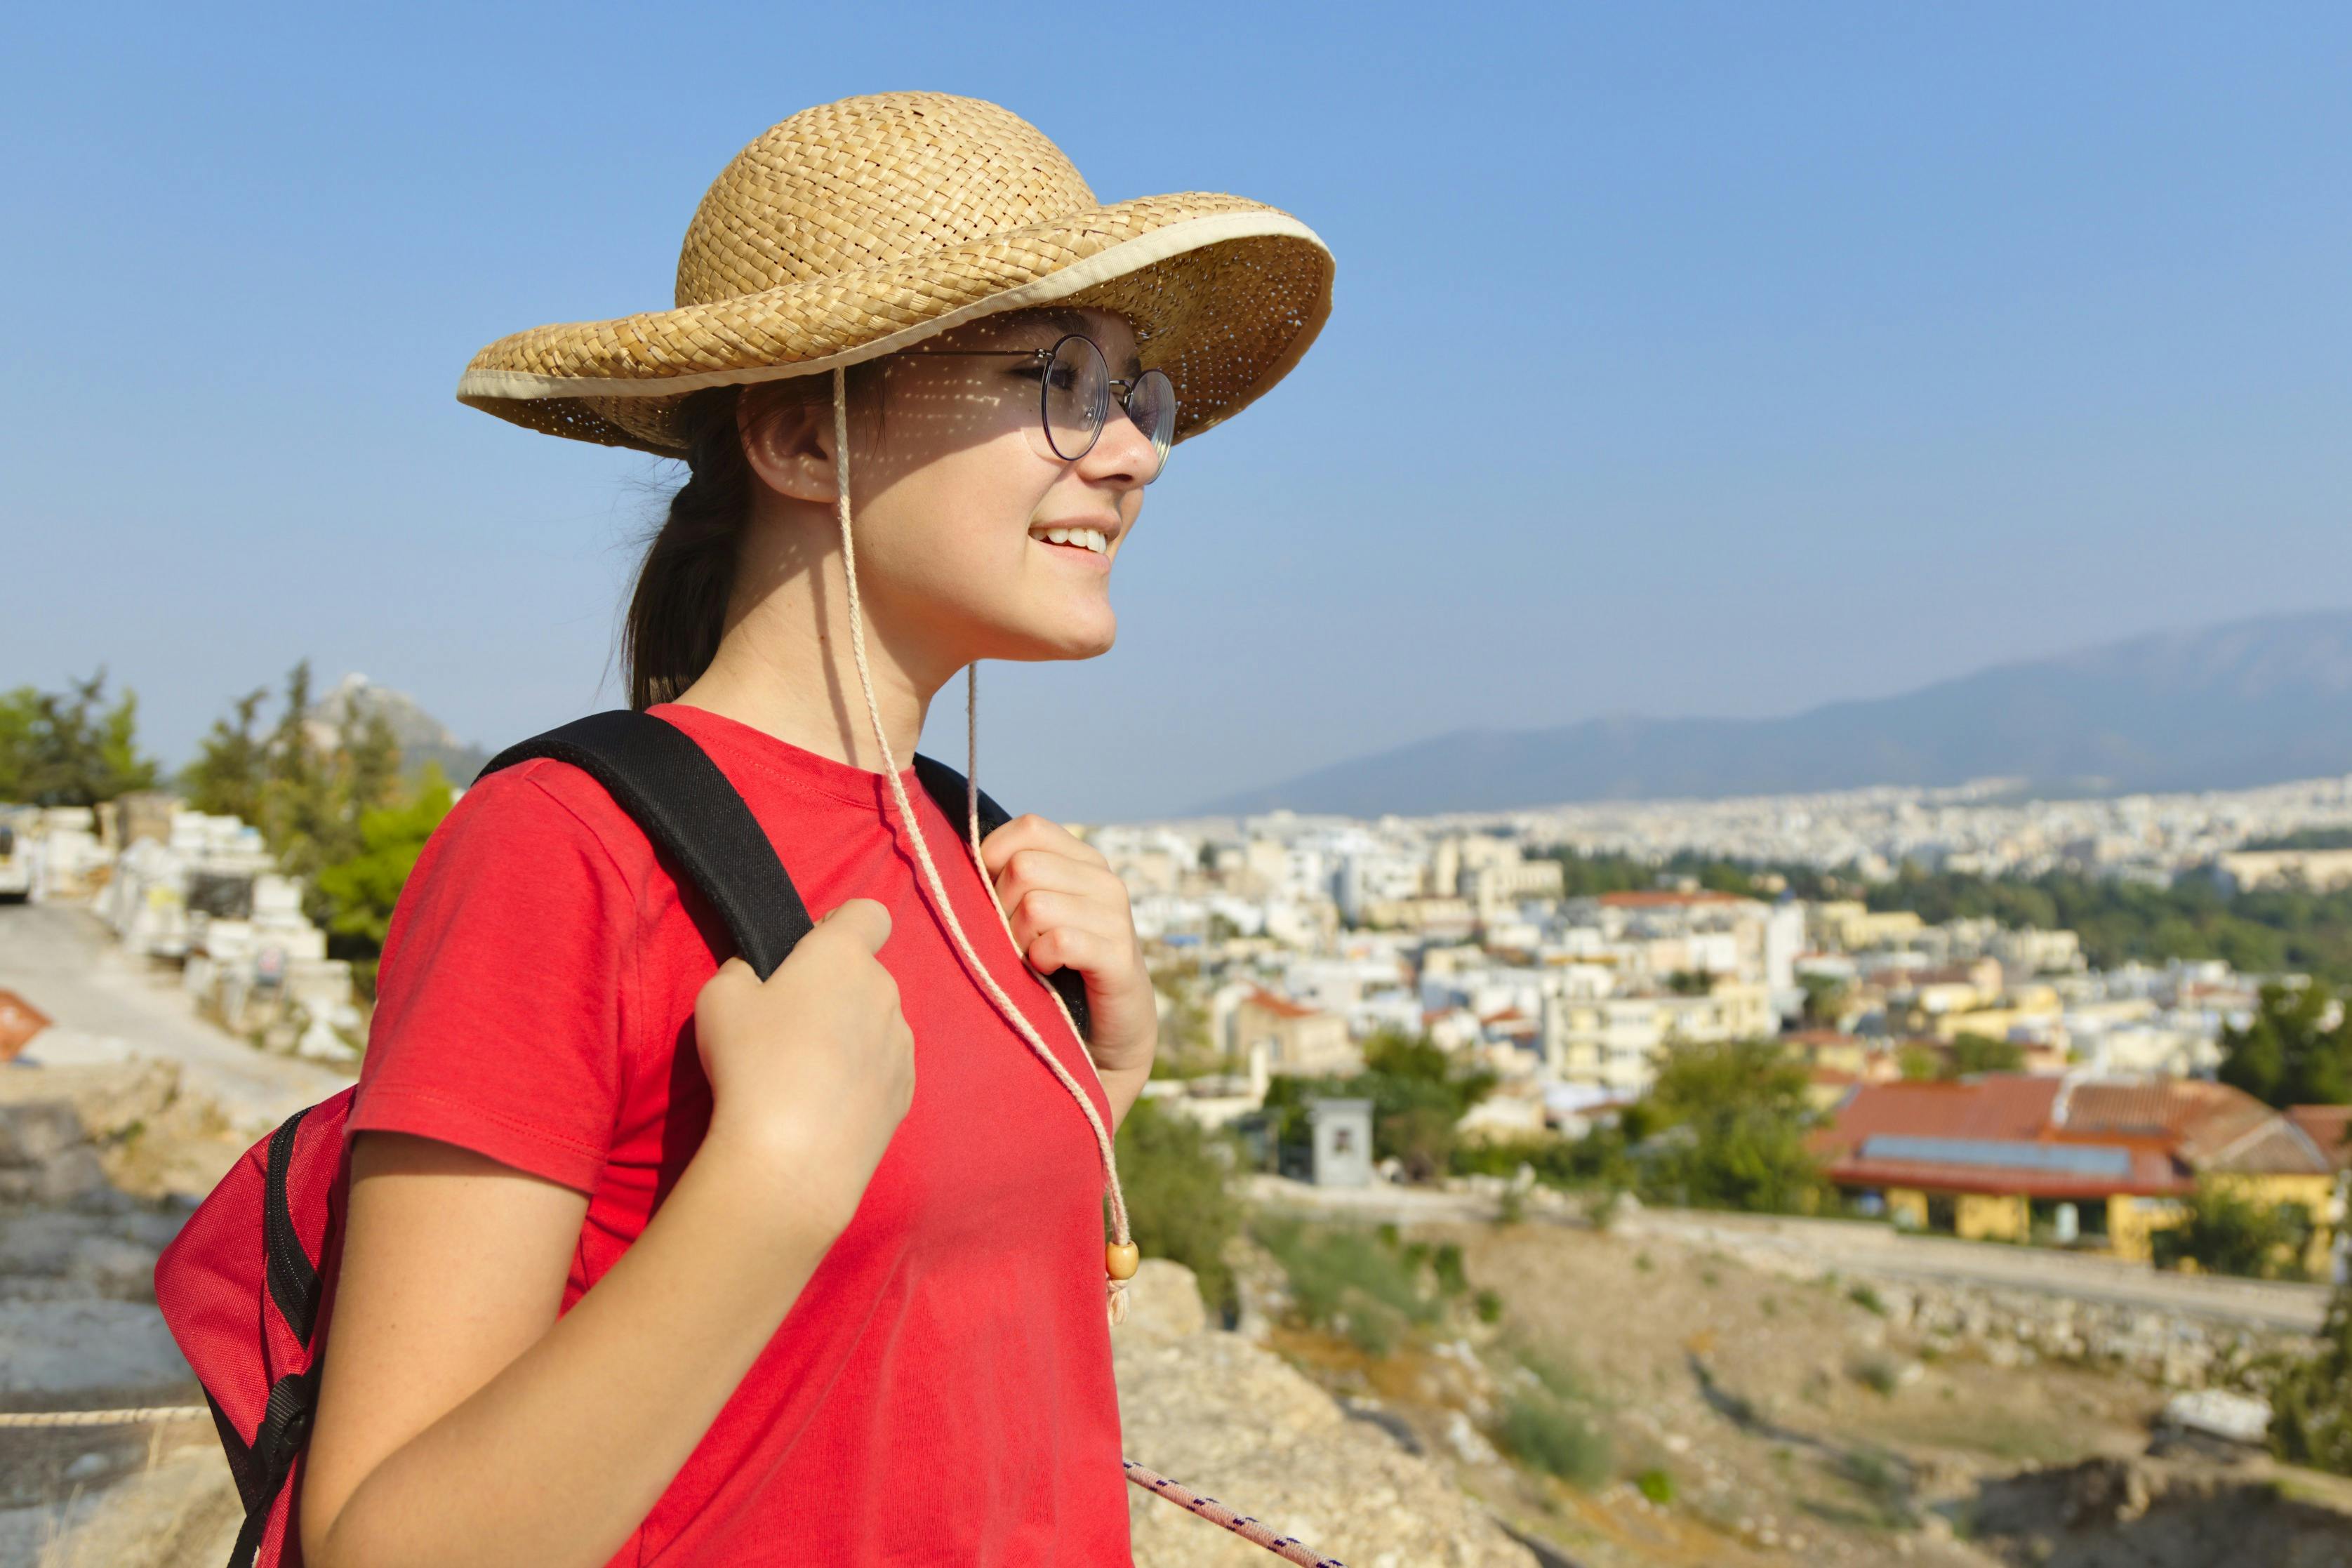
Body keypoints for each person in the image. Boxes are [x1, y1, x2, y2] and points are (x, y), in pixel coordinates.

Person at [296, 93, 1332, 1567]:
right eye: (1057, 379)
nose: (1132, 455)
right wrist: (770, 1184)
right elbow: (382, 1547)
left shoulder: (970, 853)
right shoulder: (562, 850)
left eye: (1131, 392)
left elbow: (901, 1367)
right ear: (798, 438)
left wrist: (1094, 1088)